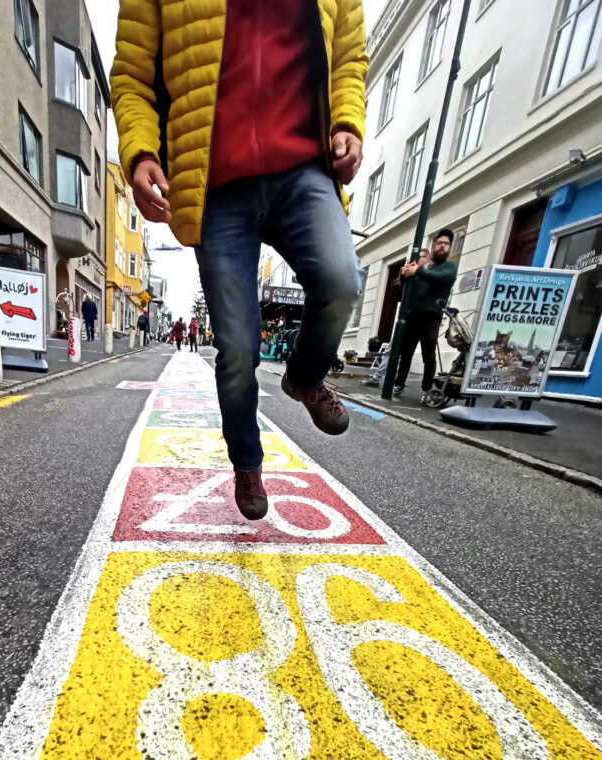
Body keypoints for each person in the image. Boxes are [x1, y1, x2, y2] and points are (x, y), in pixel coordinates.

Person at [111, 0, 367, 521]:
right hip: (215, 178)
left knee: (341, 280)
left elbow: (349, 58)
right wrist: (140, 153)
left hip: (303, 165)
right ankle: (247, 463)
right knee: (237, 349)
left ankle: (304, 376)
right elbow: (133, 74)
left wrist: (348, 123)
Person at [393, 229, 458, 404]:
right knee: (405, 354)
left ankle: (426, 388)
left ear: (450, 247)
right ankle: (399, 383)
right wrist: (404, 274)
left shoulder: (449, 267)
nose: (442, 246)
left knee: (428, 356)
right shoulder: (425, 269)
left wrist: (418, 272)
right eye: (439, 243)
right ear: (434, 246)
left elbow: (442, 278)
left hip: (430, 319)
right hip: (413, 317)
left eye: (445, 244)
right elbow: (408, 289)